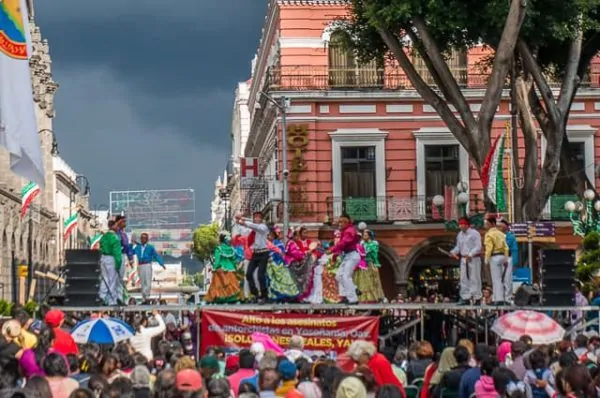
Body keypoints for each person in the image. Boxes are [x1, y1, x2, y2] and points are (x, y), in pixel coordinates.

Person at [236, 211, 270, 303]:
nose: (256, 218)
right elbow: (242, 231)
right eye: (255, 217)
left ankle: (264, 296)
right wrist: (238, 221)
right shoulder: (251, 230)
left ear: (261, 219)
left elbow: (256, 227)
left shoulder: (263, 227)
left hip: (264, 253)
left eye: (259, 217)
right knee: (248, 274)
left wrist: (245, 222)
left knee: (260, 275)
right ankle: (255, 294)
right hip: (255, 254)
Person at [449, 217, 482, 305]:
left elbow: (478, 247)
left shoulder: (475, 233)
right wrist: (453, 252)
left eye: (462, 224)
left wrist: (470, 254)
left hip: (473, 259)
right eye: (459, 225)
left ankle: (477, 297)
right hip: (463, 259)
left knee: (474, 278)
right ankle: (465, 297)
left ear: (467, 225)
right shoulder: (459, 234)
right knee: (463, 278)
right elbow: (458, 247)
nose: (460, 226)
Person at [328, 213, 360, 305]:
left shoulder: (350, 231)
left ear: (347, 222)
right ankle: (352, 291)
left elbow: (344, 243)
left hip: (352, 255)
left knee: (346, 276)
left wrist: (332, 250)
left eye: (342, 222)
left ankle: (353, 299)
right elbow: (342, 246)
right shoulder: (345, 231)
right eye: (339, 222)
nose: (340, 224)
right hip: (347, 255)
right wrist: (335, 254)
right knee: (339, 276)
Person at [205, 232, 243, 303]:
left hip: (221, 269)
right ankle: (231, 299)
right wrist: (235, 267)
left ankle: (221, 299)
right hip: (231, 269)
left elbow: (217, 260)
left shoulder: (218, 249)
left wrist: (214, 268)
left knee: (219, 285)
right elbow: (234, 260)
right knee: (232, 285)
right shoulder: (231, 249)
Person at [267, 228, 299, 302]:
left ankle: (283, 298)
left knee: (283, 280)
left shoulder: (279, 243)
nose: (281, 234)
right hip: (274, 264)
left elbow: (281, 254)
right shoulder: (273, 243)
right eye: (279, 233)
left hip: (279, 264)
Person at [132, 232, 165, 303]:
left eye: (144, 238)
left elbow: (156, 256)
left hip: (147, 265)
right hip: (140, 265)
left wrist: (161, 264)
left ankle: (146, 295)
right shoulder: (137, 247)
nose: (143, 239)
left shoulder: (150, 247)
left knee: (148, 282)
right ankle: (144, 298)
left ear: (147, 239)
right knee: (142, 282)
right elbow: (131, 252)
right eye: (142, 238)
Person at [484, 216, 510, 305]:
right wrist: (506, 259)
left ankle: (498, 299)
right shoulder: (501, 234)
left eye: (487, 224)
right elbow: (506, 247)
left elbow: (489, 248)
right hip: (502, 256)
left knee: (496, 279)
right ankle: (500, 297)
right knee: (502, 279)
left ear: (492, 224)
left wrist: (486, 259)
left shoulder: (489, 234)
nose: (486, 226)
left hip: (494, 257)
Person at [354, 229, 385, 303]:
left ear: (369, 236)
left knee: (372, 281)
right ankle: (363, 298)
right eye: (363, 235)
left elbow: (372, 253)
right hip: (362, 264)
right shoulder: (362, 244)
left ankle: (375, 297)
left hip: (370, 264)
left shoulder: (373, 244)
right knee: (362, 282)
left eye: (365, 235)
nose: (363, 237)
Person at [99, 220, 122, 305]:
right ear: (112, 226)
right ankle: (112, 300)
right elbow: (117, 253)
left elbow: (101, 245)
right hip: (111, 258)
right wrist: (118, 264)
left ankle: (102, 296)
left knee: (104, 279)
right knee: (112, 280)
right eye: (116, 225)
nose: (117, 227)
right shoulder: (115, 238)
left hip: (103, 258)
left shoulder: (104, 237)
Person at [498, 219, 518, 303]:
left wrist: (514, 262)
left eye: (503, 226)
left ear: (506, 227)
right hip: (497, 258)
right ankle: (498, 298)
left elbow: (514, 249)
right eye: (499, 226)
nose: (501, 227)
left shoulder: (511, 237)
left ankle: (508, 298)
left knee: (507, 279)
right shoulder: (496, 236)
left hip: (507, 258)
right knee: (497, 279)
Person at [115, 215, 133, 304]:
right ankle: (116, 298)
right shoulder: (116, 233)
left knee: (119, 278)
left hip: (121, 256)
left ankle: (119, 297)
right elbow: (125, 246)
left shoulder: (123, 234)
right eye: (123, 222)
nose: (125, 223)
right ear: (118, 222)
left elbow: (127, 247)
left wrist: (130, 258)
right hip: (116, 256)